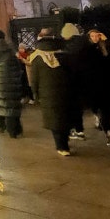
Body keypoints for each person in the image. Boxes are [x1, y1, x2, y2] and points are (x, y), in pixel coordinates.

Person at [28, 28, 78, 156]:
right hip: (66, 90)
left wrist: (35, 93)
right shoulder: (64, 53)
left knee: (54, 118)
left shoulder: (37, 57)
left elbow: (34, 78)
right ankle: (65, 142)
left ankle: (61, 146)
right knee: (65, 115)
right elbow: (73, 73)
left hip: (47, 92)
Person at [80, 29, 110, 148]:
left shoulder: (88, 52)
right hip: (107, 86)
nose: (94, 38)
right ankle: (109, 131)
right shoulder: (106, 52)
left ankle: (103, 125)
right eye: (92, 36)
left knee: (97, 108)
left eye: (96, 36)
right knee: (106, 111)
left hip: (94, 87)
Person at [60, 23, 87, 140]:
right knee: (78, 107)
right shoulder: (85, 44)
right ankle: (80, 130)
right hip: (83, 80)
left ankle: (74, 129)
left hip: (71, 80)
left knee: (71, 107)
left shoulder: (68, 47)